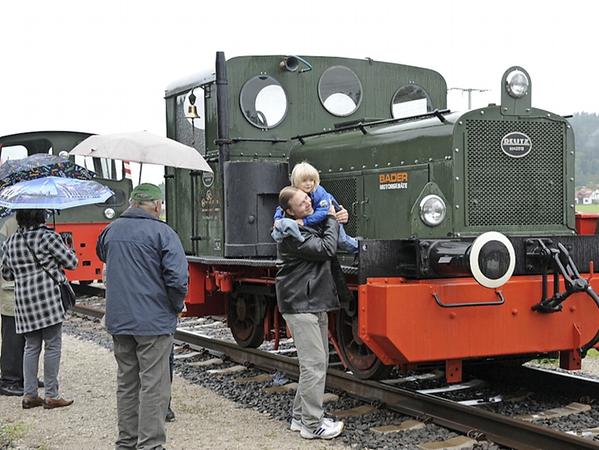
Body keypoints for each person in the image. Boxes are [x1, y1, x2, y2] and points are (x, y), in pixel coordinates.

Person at [96, 183, 188, 450]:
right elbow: (178, 279)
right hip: (153, 321)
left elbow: (103, 255)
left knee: (126, 381)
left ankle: (126, 442)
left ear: (133, 203)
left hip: (119, 319)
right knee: (153, 384)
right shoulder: (164, 233)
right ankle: (150, 445)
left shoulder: (110, 231)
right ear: (157, 205)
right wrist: (175, 305)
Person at [274, 186, 345, 440]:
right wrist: (331, 218)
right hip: (301, 303)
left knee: (317, 363)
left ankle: (298, 417)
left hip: (313, 301)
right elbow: (327, 248)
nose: (308, 204)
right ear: (289, 211)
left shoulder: (305, 224)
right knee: (314, 365)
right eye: (302, 204)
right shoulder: (291, 232)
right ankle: (312, 425)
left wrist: (333, 217)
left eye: (308, 200)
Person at [0, 209, 77, 409]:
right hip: (48, 301)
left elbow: (6, 274)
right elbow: (72, 263)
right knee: (52, 345)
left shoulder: (12, 241)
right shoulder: (48, 237)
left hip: (25, 303)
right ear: (42, 216)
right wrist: (68, 247)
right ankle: (51, 395)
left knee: (31, 347)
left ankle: (30, 394)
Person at [274, 161, 358, 253]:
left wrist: (304, 221)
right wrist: (278, 221)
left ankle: (360, 247)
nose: (309, 184)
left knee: (342, 240)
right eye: (304, 180)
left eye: (311, 180)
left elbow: (323, 212)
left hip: (330, 212)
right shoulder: (293, 194)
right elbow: (281, 207)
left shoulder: (319, 192)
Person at [0, 215, 24, 397]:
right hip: (9, 288)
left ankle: (21, 376)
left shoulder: (14, 222)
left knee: (22, 336)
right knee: (12, 337)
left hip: (16, 288)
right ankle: (9, 379)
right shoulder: (9, 224)